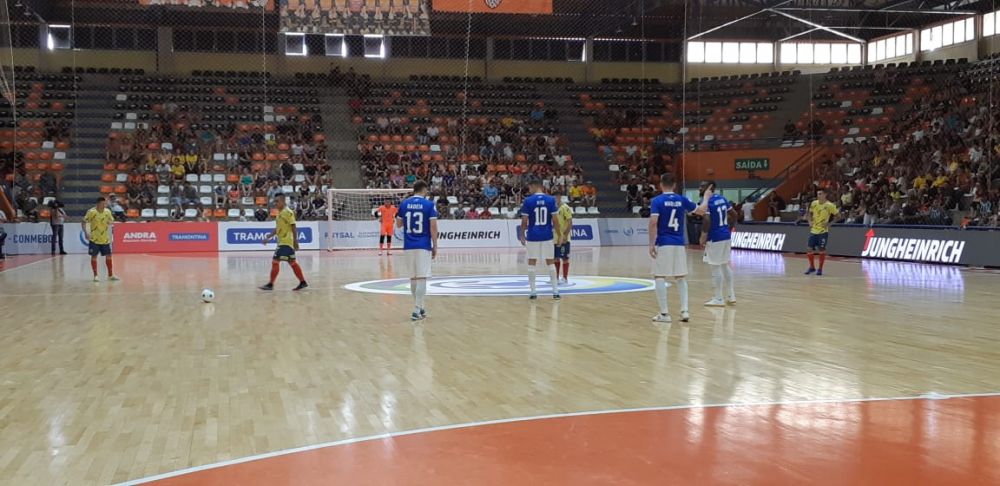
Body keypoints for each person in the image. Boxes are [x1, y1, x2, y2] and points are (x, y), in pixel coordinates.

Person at [648, 174, 709, 323]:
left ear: (661, 184)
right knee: (680, 277)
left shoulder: (657, 201)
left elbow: (653, 222)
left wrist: (651, 244)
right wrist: (706, 197)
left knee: (659, 276)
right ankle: (685, 311)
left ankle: (664, 314)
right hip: (679, 243)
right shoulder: (682, 200)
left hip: (664, 242)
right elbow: (701, 211)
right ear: (674, 185)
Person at [396, 180, 439, 321]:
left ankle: (420, 307)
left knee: (413, 278)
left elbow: (399, 224)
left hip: (408, 245)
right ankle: (416, 309)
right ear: (424, 189)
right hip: (423, 245)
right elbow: (433, 227)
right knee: (421, 278)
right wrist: (435, 245)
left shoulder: (404, 203)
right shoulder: (429, 205)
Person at [519, 176, 561, 300]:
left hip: (533, 235)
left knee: (532, 262)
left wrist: (522, 235)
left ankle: (533, 292)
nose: (529, 190)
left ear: (534, 186)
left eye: (529, 188)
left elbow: (524, 221)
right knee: (550, 262)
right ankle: (555, 291)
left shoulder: (528, 201)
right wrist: (559, 234)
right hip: (547, 235)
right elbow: (555, 220)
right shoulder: (550, 199)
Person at [259, 194, 308, 291]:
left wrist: (296, 241)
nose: (275, 204)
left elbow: (293, 226)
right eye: (275, 202)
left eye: (277, 201)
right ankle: (303, 282)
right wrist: (268, 237)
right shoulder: (279, 214)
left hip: (286, 242)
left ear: (283, 201)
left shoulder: (288, 212)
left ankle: (270, 284)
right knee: (292, 263)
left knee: (275, 262)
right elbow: (278, 229)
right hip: (283, 241)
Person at [699, 181, 737, 306]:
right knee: (725, 265)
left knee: (715, 267)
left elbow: (707, 219)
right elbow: (734, 214)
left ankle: (719, 298)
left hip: (715, 237)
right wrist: (729, 228)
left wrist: (703, 235)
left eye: (702, 186)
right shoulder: (722, 198)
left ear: (710, 188)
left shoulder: (708, 202)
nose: (700, 188)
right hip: (725, 235)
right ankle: (731, 295)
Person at [804, 189, 840, 276]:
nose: (818, 195)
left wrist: (829, 224)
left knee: (821, 250)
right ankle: (812, 267)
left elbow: (838, 216)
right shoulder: (814, 203)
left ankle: (820, 269)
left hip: (823, 232)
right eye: (817, 194)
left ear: (825, 195)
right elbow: (809, 213)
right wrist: (809, 221)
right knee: (809, 249)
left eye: (820, 194)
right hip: (813, 230)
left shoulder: (830, 205)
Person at [83, 197, 118, 282]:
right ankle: (95, 276)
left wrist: (110, 222)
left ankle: (110, 275)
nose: (104, 205)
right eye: (103, 203)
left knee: (109, 256)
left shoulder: (107, 212)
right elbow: (84, 222)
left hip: (105, 239)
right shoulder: (91, 212)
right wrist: (86, 232)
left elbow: (112, 220)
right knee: (94, 256)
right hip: (94, 239)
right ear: (98, 203)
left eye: (105, 203)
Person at [553, 200, 573, 284]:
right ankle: (556, 278)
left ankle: (565, 278)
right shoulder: (553, 207)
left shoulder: (565, 207)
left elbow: (570, 222)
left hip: (564, 238)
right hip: (555, 238)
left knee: (565, 258)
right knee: (555, 258)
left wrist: (565, 235)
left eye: (558, 195)